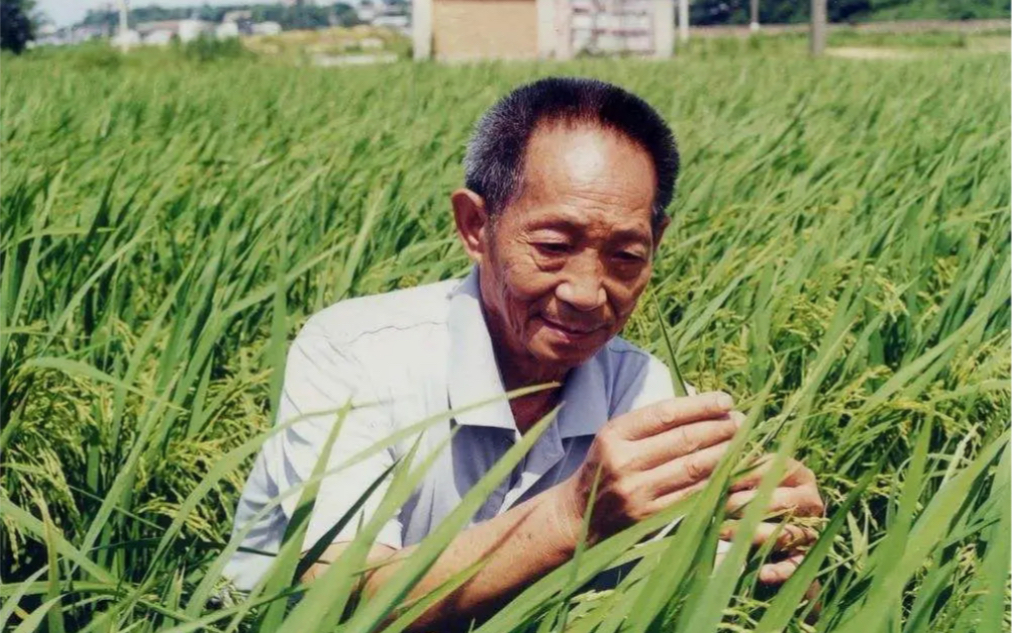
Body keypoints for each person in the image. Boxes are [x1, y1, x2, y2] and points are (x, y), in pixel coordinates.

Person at [224, 76, 824, 629]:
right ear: (475, 226)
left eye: (626, 256)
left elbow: (720, 594)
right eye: (553, 245)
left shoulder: (644, 391)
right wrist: (573, 517)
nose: (587, 294)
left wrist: (784, 550)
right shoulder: (353, 354)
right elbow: (342, 597)